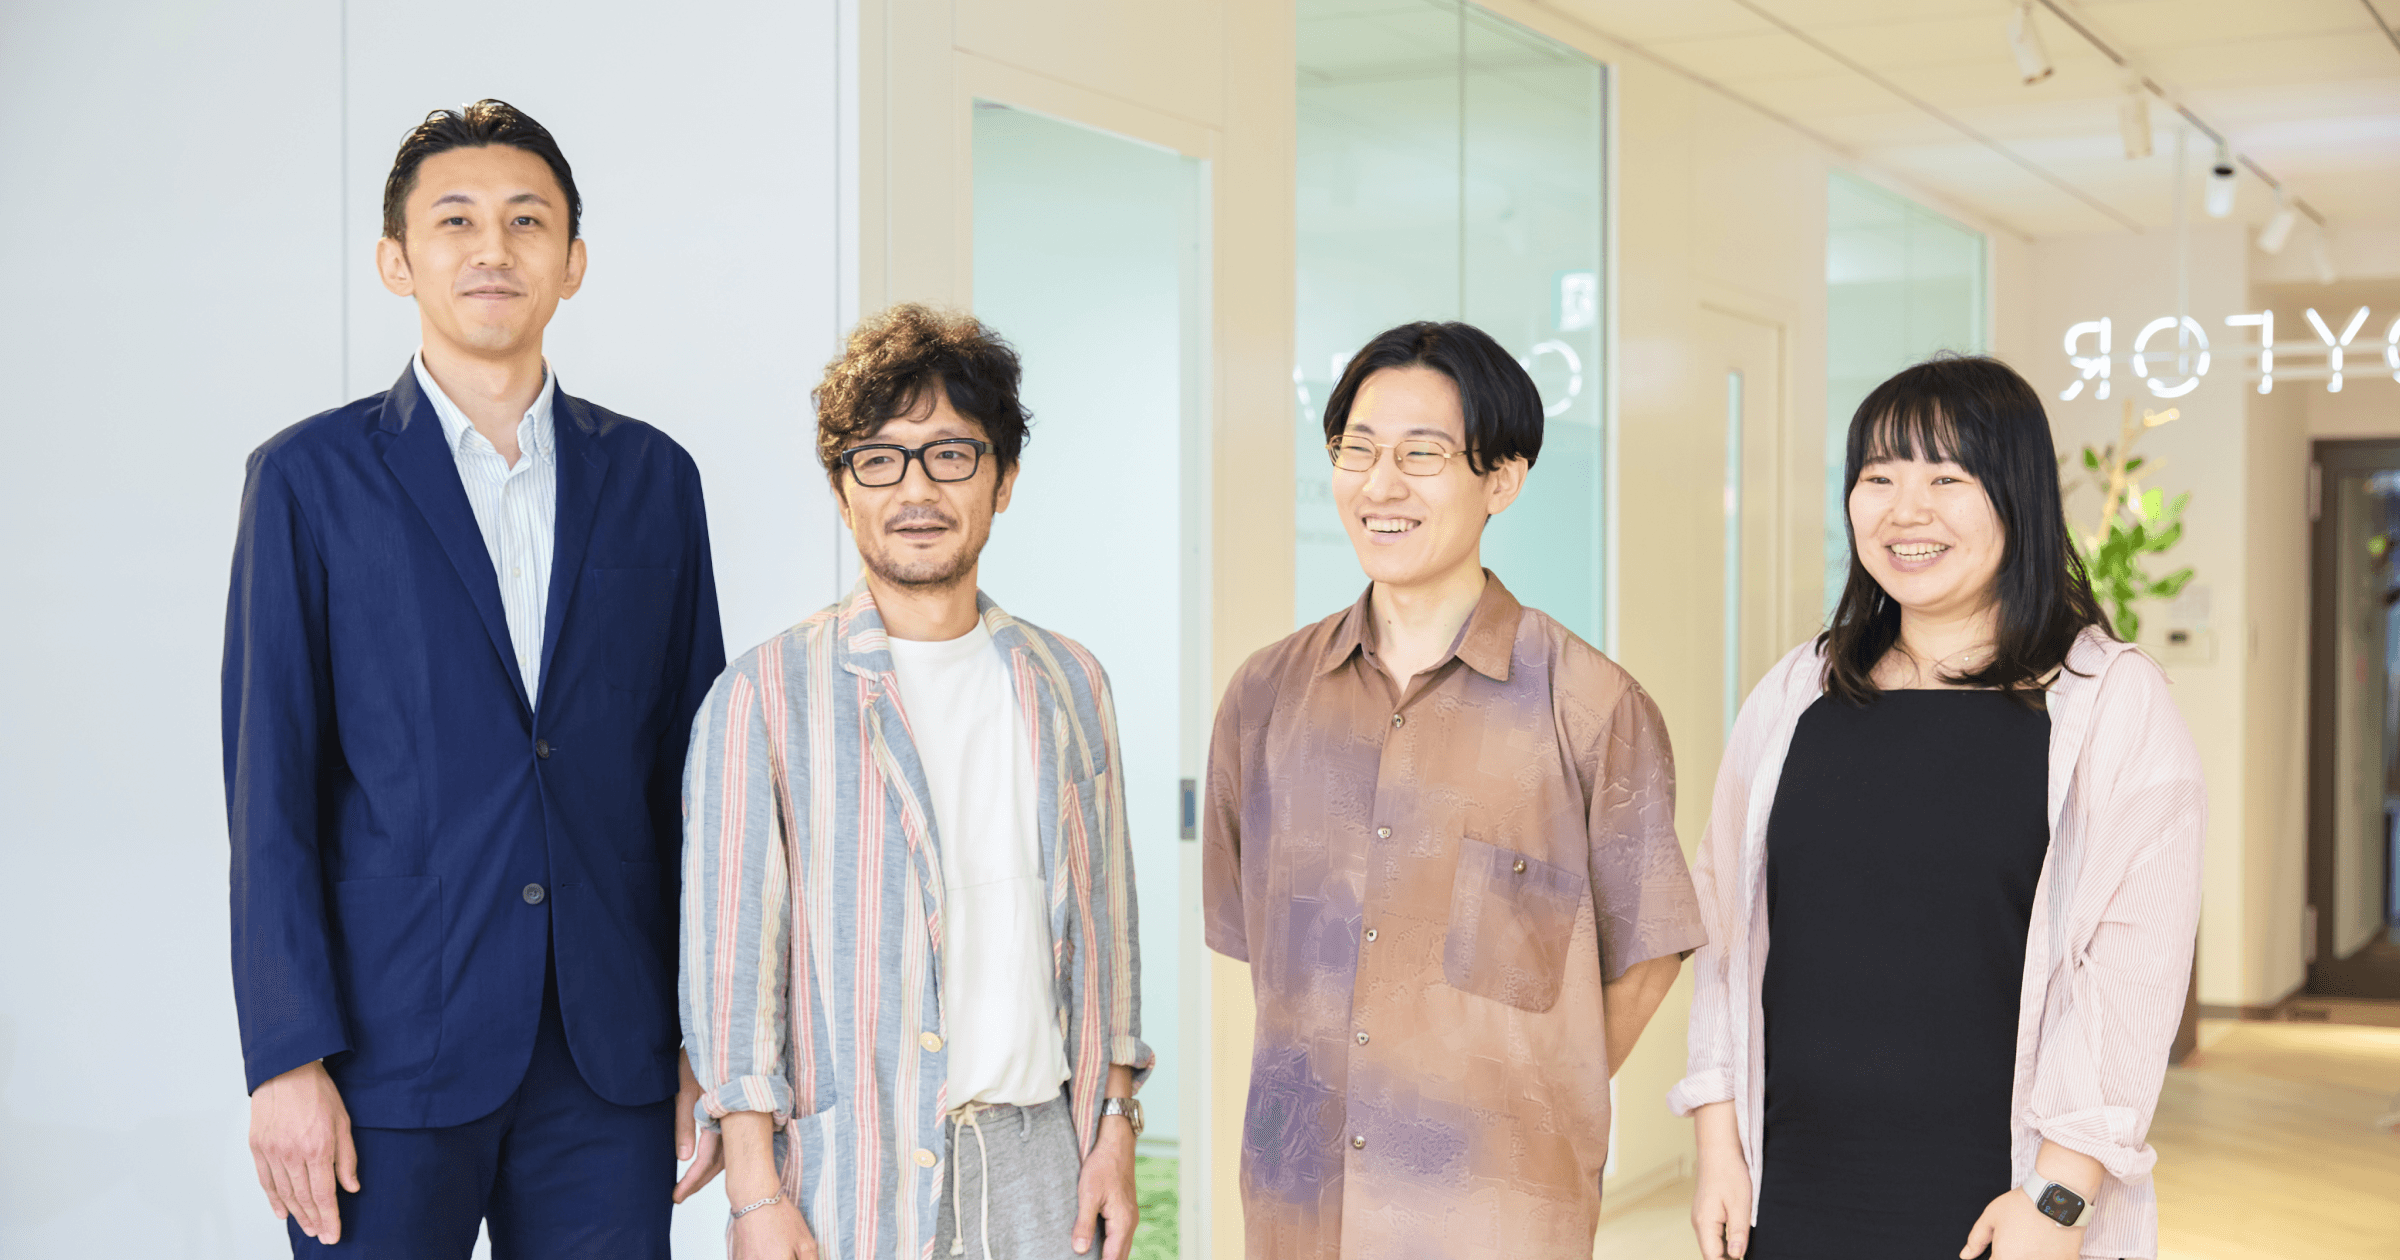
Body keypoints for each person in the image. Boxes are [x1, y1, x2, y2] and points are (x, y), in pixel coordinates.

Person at [224, 100, 726, 1256]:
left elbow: (693, 784)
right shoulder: (308, 480)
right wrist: (285, 1057)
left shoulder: (655, 479)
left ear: (573, 261)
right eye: (455, 220)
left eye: (526, 220)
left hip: (609, 1058)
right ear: (396, 261)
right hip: (386, 1054)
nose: (492, 247)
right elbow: (270, 790)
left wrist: (708, 1035)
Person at [1674, 356, 2205, 1260]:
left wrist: (2057, 1197)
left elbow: (2133, 969)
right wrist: (1718, 1143)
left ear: (2017, 497)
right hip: (1791, 1183)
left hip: (2000, 1196)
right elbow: (1724, 925)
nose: (1904, 511)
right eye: (1878, 478)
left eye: (1947, 479)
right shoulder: (1798, 690)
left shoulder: (2107, 699)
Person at [1201, 320, 1706, 1257]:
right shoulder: (1264, 698)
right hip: (1300, 1205)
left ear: (1501, 481)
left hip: (1493, 1213)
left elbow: (1649, 949)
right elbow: (1259, 938)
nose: (1381, 484)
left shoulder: (1590, 707)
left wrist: (1536, 1089)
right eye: (1358, 449)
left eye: (1422, 454)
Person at [679, 304, 1151, 1260]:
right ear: (842, 489)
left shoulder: (1070, 682)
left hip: (1042, 1161)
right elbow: (732, 970)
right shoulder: (766, 693)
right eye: (880, 459)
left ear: (1003, 479)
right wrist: (754, 1195)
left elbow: (1110, 935)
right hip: (851, 1174)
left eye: (951, 455)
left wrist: (1115, 1132)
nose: (916, 489)